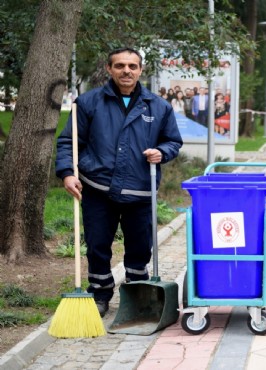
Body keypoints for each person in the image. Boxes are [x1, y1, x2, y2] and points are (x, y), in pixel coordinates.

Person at [55, 47, 183, 317]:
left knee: (139, 247)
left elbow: (172, 141)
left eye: (132, 66)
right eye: (120, 66)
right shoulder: (88, 103)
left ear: (141, 70)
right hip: (98, 188)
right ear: (109, 69)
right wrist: (67, 172)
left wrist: (163, 152)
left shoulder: (158, 107)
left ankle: (137, 292)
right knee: (98, 245)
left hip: (140, 189)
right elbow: (69, 141)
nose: (127, 71)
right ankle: (100, 295)